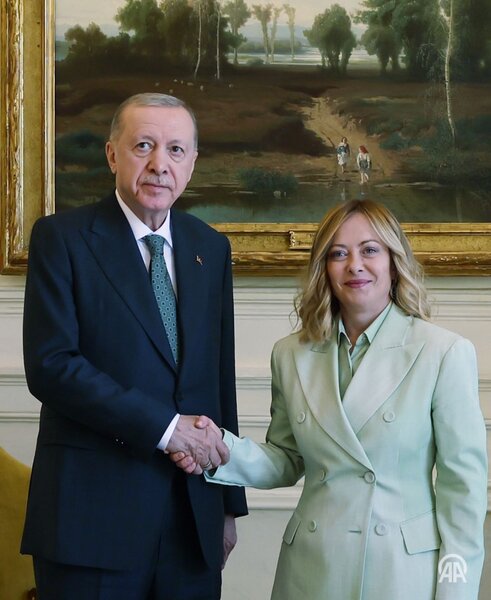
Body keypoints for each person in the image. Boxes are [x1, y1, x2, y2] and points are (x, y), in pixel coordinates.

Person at [173, 199, 488, 600]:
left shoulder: (442, 352)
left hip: (401, 574)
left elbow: (463, 492)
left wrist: (456, 592)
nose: (355, 265)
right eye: (339, 254)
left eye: (370, 250)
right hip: (311, 569)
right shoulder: (291, 354)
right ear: (324, 268)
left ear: (394, 262)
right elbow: (287, 459)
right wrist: (218, 449)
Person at [21, 93, 247, 600]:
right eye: (143, 145)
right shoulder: (62, 239)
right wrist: (166, 430)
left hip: (192, 522)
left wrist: (228, 505)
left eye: (175, 150)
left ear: (192, 163)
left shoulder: (210, 247)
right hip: (90, 523)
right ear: (112, 154)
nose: (159, 164)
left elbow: (219, 382)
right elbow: (52, 367)